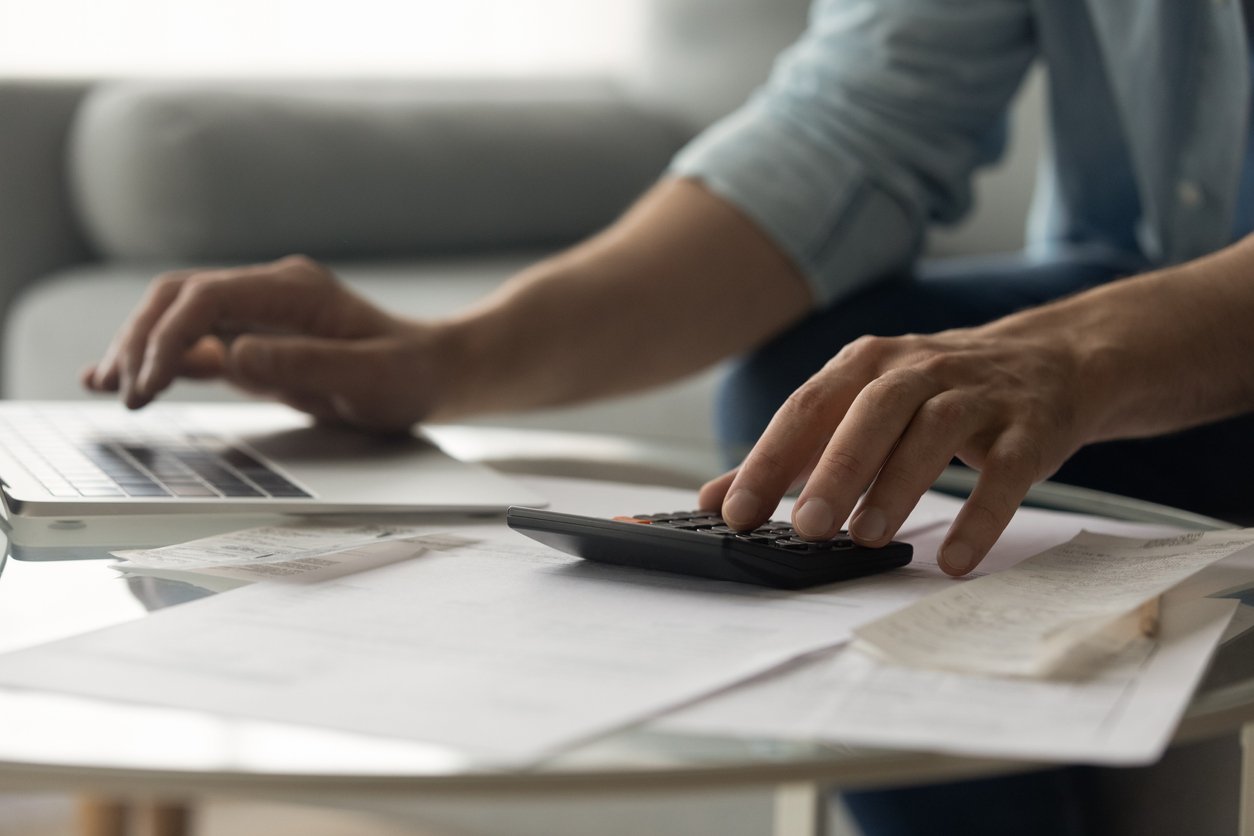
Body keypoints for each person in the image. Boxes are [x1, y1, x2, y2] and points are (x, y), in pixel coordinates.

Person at [83, 1, 1254, 832]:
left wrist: (1076, 352)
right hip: (1139, 277)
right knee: (813, 397)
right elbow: (850, 131)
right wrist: (449, 358)